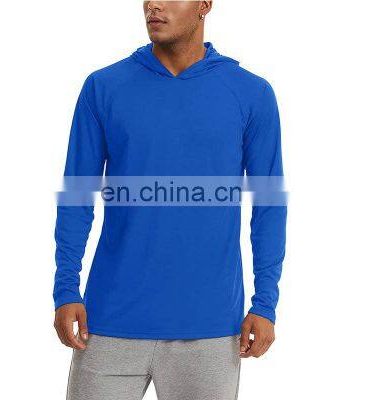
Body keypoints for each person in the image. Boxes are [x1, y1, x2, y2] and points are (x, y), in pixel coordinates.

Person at [54, 1, 287, 399]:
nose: (154, 5)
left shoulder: (251, 93)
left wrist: (265, 303)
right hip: (108, 321)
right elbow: (77, 194)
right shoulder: (104, 87)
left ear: (204, 4)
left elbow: (269, 206)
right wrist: (65, 289)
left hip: (210, 327)